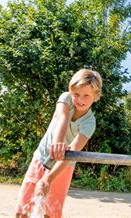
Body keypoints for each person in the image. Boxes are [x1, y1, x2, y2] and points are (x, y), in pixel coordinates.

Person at [15, 69, 102, 218]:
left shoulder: (89, 122)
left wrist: (48, 179)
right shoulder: (66, 98)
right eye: (76, 94)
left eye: (86, 95)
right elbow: (62, 117)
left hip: (64, 167)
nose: (80, 100)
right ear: (71, 92)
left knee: (52, 213)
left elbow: (73, 151)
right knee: (23, 209)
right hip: (42, 158)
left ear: (96, 96)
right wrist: (58, 143)